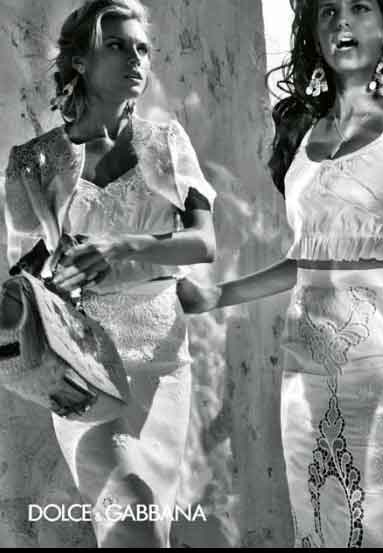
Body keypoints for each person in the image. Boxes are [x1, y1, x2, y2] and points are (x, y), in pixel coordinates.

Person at [176, 0, 383, 547]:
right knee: (314, 534)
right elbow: (308, 261)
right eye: (328, 11)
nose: (342, 22)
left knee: (381, 535)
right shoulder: (303, 132)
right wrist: (215, 296)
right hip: (303, 368)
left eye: (358, 8)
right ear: (315, 34)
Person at [2, 0, 217, 546]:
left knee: (148, 530)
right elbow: (23, 278)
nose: (135, 59)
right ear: (79, 61)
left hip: (164, 364)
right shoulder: (32, 161)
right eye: (117, 46)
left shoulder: (166, 143)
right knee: (132, 513)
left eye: (142, 48)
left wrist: (122, 246)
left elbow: (204, 243)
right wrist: (52, 269)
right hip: (81, 364)